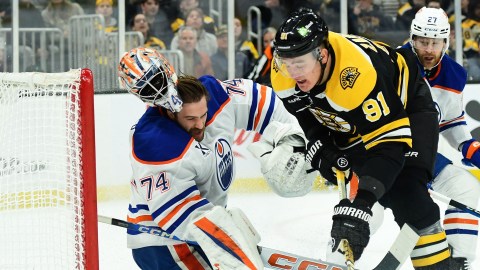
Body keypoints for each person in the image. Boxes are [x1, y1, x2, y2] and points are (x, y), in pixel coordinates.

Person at [270, 8, 455, 269]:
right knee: (359, 201)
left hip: (408, 105)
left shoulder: (355, 75)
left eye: (299, 64)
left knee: (407, 194)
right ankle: (338, 256)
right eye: (287, 64)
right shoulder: (284, 70)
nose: (293, 72)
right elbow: (306, 114)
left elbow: (390, 147)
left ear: (321, 55)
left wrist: (364, 205)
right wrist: (320, 143)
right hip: (354, 118)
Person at [117, 47, 311, 269]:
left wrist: (295, 139)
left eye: (203, 115)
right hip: (165, 243)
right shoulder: (155, 141)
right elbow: (184, 218)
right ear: (169, 113)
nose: (199, 124)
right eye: (190, 118)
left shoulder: (216, 94)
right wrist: (227, 240)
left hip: (202, 226)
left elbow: (266, 105)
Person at [401, 7, 480, 268]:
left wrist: (468, 146)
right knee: (370, 212)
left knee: (467, 189)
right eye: (423, 41)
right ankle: (339, 258)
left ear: (446, 42)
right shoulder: (391, 64)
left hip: (424, 158)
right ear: (412, 39)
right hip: (384, 154)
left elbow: (450, 120)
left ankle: (457, 262)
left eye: (435, 42)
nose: (429, 49)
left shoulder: (454, 74)